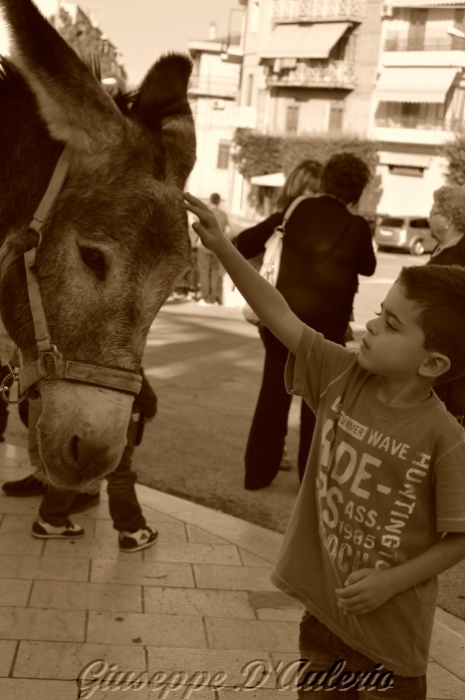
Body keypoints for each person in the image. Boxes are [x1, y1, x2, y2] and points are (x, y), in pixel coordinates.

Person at [184, 190, 465, 699]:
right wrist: (223, 245)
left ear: (432, 365)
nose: (372, 325)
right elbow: (280, 314)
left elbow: (460, 535)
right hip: (323, 617)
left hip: (390, 638)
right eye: (381, 312)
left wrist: (392, 581)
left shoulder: (445, 439)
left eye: (392, 324)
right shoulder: (343, 375)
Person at [235, 155, 376, 490]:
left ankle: (258, 474)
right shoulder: (356, 227)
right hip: (324, 338)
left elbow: (245, 242)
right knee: (317, 410)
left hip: (281, 325)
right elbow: (368, 267)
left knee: (272, 399)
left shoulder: (296, 211)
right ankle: (310, 483)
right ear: (356, 193)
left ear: (325, 181)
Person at [2, 371, 159, 553]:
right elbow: (132, 368)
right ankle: (132, 529)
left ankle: (51, 519)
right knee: (119, 473)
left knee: (71, 462)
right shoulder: (115, 342)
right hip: (115, 407)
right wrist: (150, 404)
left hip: (76, 403)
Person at [428, 185, 465, 425]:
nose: (428, 217)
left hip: (451, 360)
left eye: (433, 212)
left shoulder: (456, 258)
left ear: (448, 219)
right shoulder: (444, 249)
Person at [196, 193, 230, 305]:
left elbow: (198, 228)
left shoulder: (205, 213)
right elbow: (228, 232)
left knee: (204, 271)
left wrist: (196, 240)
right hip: (217, 247)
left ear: (210, 201)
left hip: (204, 246)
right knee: (215, 272)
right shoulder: (224, 215)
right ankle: (213, 298)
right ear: (219, 201)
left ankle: (205, 297)